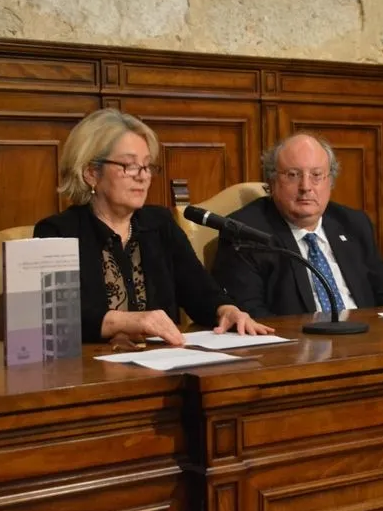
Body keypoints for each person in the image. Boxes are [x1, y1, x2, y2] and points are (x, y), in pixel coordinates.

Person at [34, 108, 273, 348]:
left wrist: (226, 310)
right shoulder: (57, 232)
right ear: (91, 173)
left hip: (163, 362)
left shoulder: (159, 223)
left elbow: (200, 292)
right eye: (129, 165)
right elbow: (56, 321)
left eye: (147, 166)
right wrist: (126, 321)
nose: (143, 176)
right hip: (92, 365)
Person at [211, 132, 383, 317]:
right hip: (294, 338)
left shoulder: (354, 224)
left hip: (366, 333)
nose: (306, 187)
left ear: (330, 181)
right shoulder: (245, 231)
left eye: (316, 175)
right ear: (272, 181)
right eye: (293, 175)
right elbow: (250, 313)